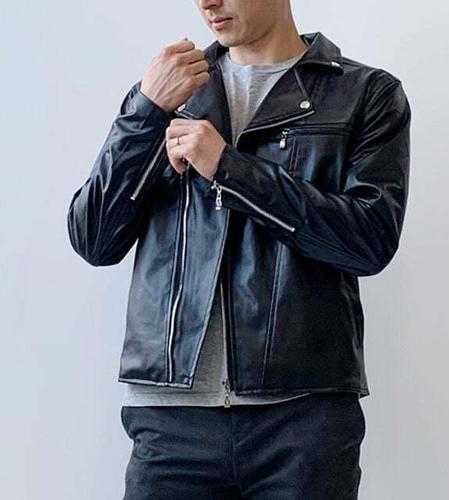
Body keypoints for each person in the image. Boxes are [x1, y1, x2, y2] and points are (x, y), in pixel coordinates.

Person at [67, 0, 411, 498]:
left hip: (302, 420)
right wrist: (145, 112)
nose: (208, 2)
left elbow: (369, 242)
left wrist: (228, 168)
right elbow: (94, 240)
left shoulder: (364, 94)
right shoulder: (168, 96)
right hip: (171, 423)